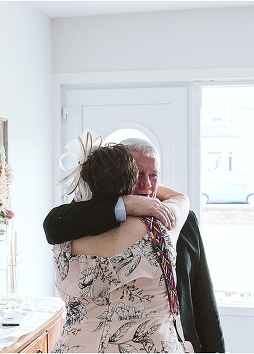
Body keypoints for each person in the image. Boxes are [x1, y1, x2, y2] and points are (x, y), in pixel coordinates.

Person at [44, 138, 225, 353]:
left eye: (154, 175)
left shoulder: (181, 220)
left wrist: (217, 350)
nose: (147, 185)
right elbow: (52, 225)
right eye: (138, 174)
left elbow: (202, 292)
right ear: (120, 174)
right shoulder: (82, 219)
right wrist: (127, 203)